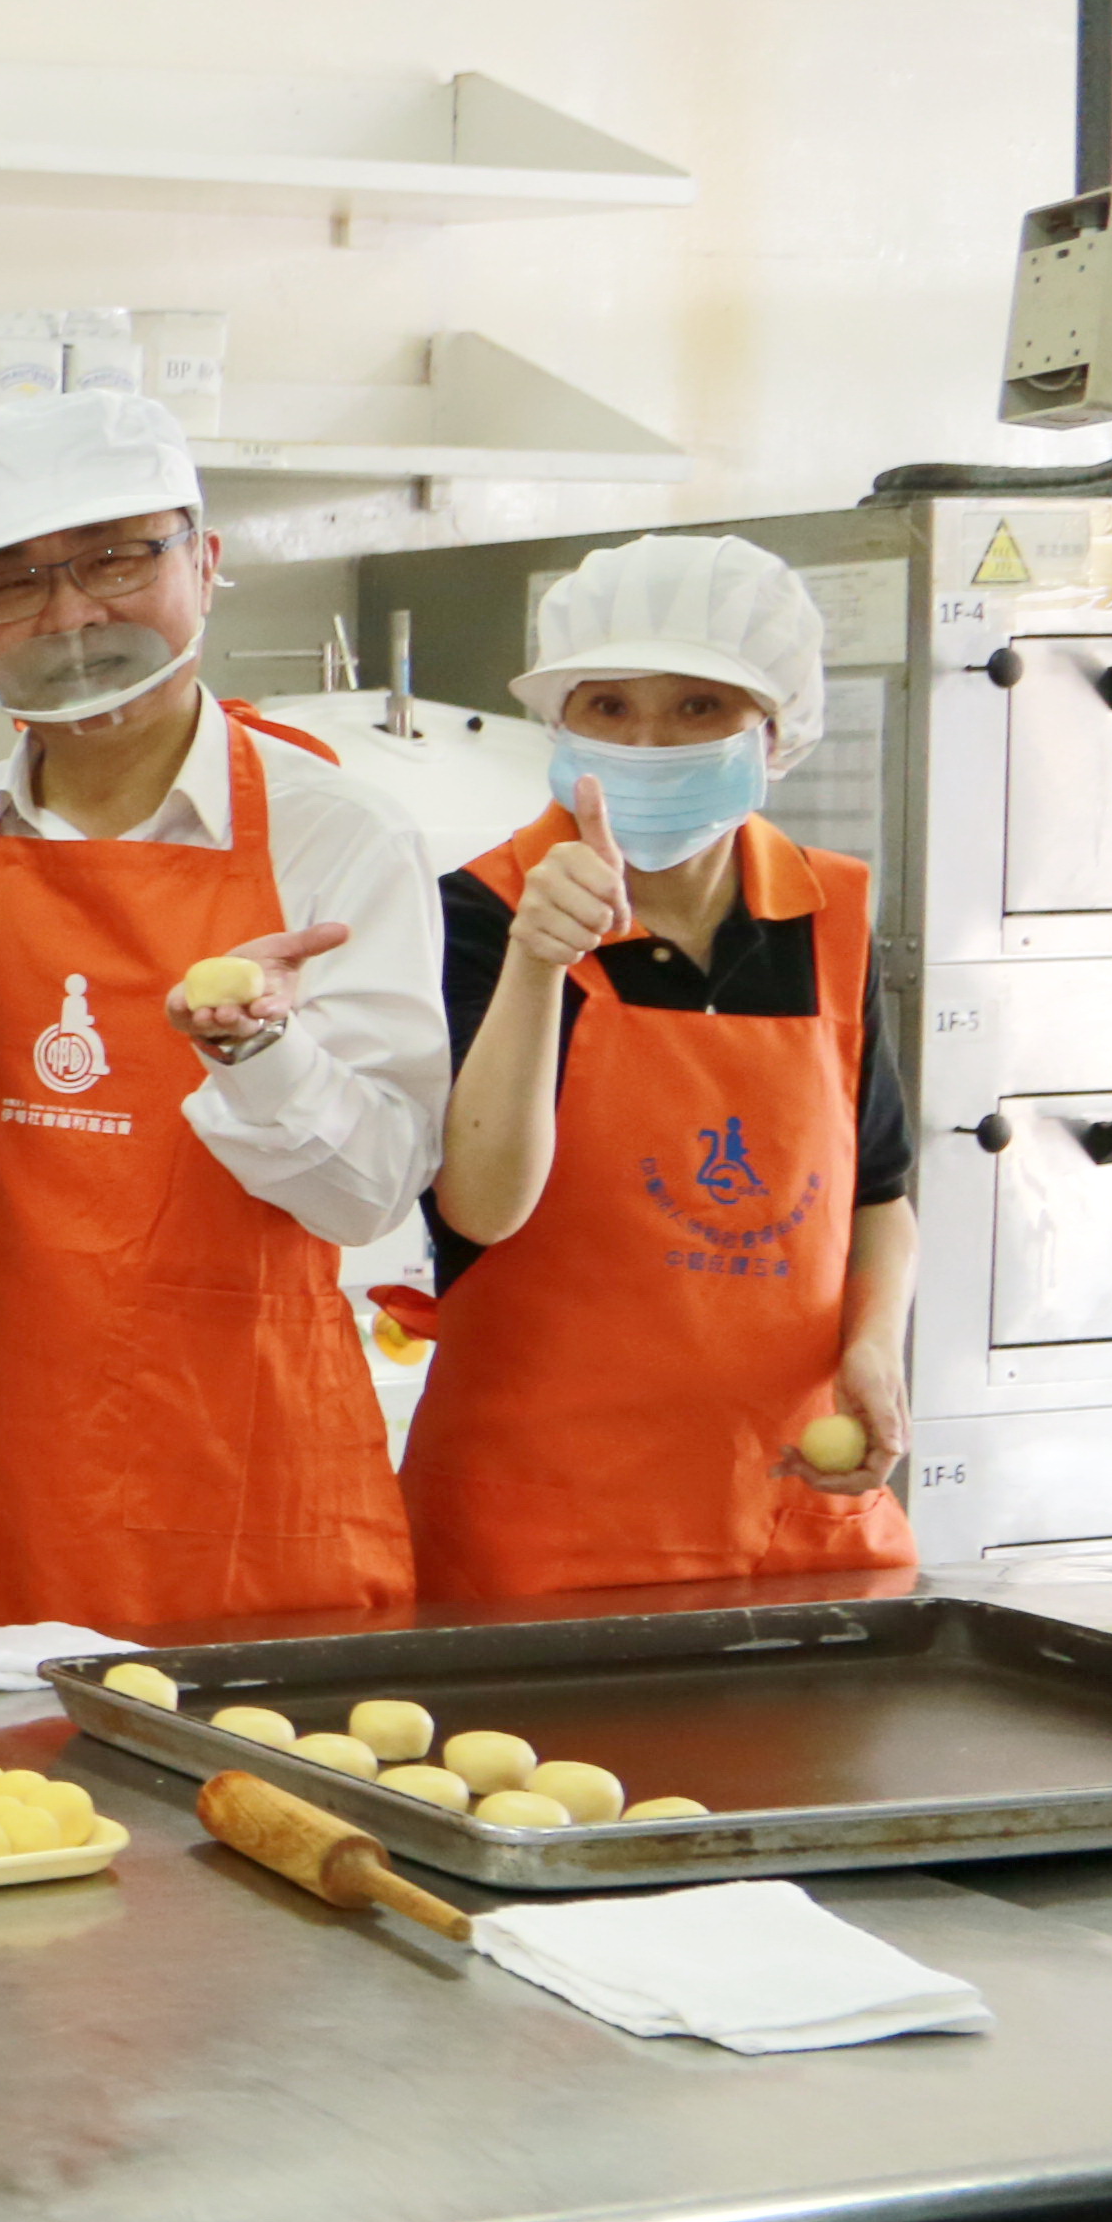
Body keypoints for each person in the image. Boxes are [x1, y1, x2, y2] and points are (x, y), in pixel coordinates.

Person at [0, 393, 437, 1638]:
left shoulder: (339, 840)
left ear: (204, 562)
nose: (70, 616)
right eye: (14, 583)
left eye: (116, 558)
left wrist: (262, 1055)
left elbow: (374, 1194)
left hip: (241, 1480)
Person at [411, 532, 915, 1599]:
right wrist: (539, 962)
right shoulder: (481, 913)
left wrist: (873, 1346)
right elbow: (480, 1206)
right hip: (538, 1531)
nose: (648, 741)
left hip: (794, 1515)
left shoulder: (830, 913)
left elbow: (878, 1192)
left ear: (774, 732)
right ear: (560, 727)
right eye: (608, 706)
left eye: (698, 706)